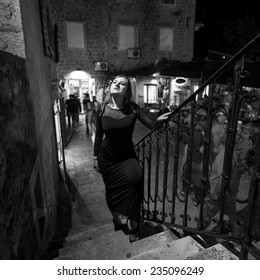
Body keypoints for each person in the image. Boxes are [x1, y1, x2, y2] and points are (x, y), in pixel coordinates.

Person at [93, 75, 170, 242]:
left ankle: (133, 224)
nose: (117, 85)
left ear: (126, 91)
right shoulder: (101, 109)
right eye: (115, 82)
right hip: (107, 159)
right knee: (113, 192)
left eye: (122, 84)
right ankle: (119, 217)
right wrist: (94, 157)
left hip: (127, 156)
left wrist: (161, 116)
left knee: (135, 179)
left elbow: (152, 124)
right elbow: (99, 137)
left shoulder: (133, 108)